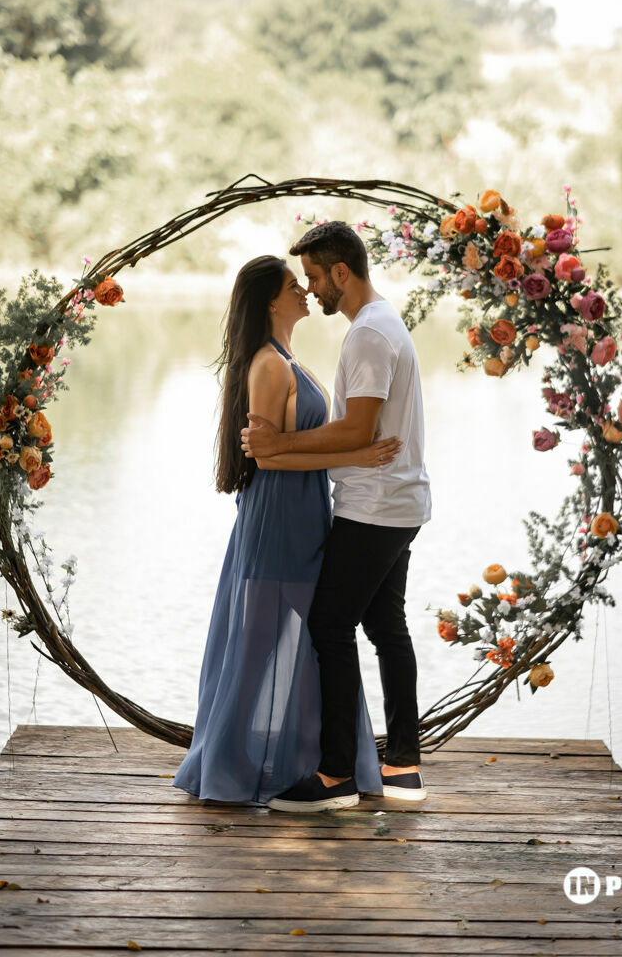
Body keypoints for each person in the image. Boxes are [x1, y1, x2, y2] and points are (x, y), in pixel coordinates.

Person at [172, 255, 401, 806]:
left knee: (313, 640)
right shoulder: (269, 366)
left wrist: (352, 449)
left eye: (305, 282)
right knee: (259, 644)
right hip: (278, 518)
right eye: (293, 285)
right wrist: (356, 455)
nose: (304, 291)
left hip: (303, 514)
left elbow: (283, 447)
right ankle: (225, 767)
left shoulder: (286, 357)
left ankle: (320, 763)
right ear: (271, 301)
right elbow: (269, 459)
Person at [241, 221, 431, 812]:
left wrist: (277, 446)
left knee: (329, 625)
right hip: (398, 500)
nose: (311, 287)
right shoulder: (380, 322)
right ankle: (402, 766)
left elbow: (357, 431)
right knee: (386, 626)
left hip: (374, 505)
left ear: (341, 273)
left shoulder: (368, 334)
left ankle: (335, 777)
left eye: (315, 276)